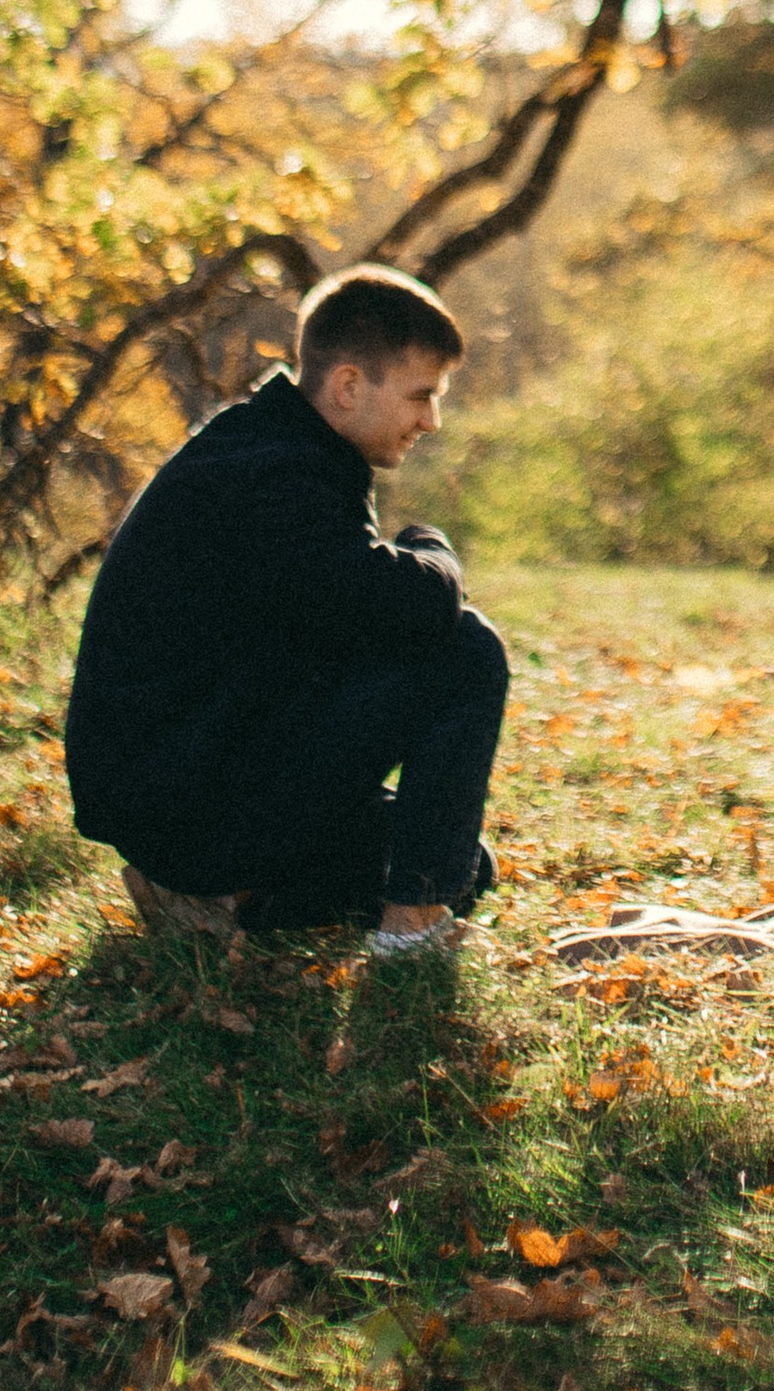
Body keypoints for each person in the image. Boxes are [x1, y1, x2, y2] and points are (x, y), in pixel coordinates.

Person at [65, 266, 509, 958]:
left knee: (463, 864)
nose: (431, 420)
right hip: (183, 797)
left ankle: (219, 900)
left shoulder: (276, 446)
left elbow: (345, 617)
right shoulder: (274, 475)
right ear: (349, 386)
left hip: (201, 768)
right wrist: (432, 547)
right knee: (467, 650)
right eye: (420, 396)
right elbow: (412, 609)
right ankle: (412, 932)